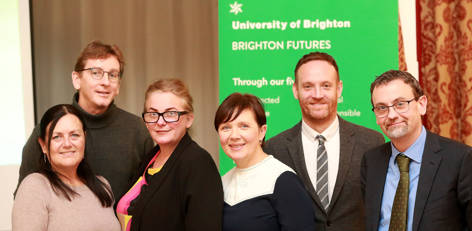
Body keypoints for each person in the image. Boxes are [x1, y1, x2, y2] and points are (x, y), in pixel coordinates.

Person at [17, 41, 154, 204]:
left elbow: (148, 198)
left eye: (113, 74)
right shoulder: (49, 130)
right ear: (77, 79)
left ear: (118, 86)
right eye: (96, 73)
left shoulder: (137, 130)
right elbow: (24, 199)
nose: (105, 82)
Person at [264, 52, 385, 231]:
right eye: (308, 86)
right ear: (295, 90)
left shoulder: (371, 142)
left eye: (326, 85)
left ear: (339, 88)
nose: (317, 94)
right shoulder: (274, 149)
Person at [361, 70, 472, 231]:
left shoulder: (462, 160)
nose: (391, 115)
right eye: (381, 108)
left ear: (421, 104)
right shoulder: (371, 161)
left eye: (400, 104)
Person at [116, 79, 223, 231]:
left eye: (171, 113)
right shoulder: (150, 158)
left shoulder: (198, 164)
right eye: (153, 114)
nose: (160, 122)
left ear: (189, 119)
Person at [215, 92, 315, 231]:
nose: (234, 136)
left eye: (244, 126)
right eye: (226, 127)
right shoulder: (222, 183)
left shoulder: (283, 180)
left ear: (262, 131)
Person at [12, 104, 120, 231]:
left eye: (74, 135)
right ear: (43, 146)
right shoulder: (35, 187)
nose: (67, 144)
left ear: (84, 138)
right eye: (57, 137)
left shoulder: (103, 185)